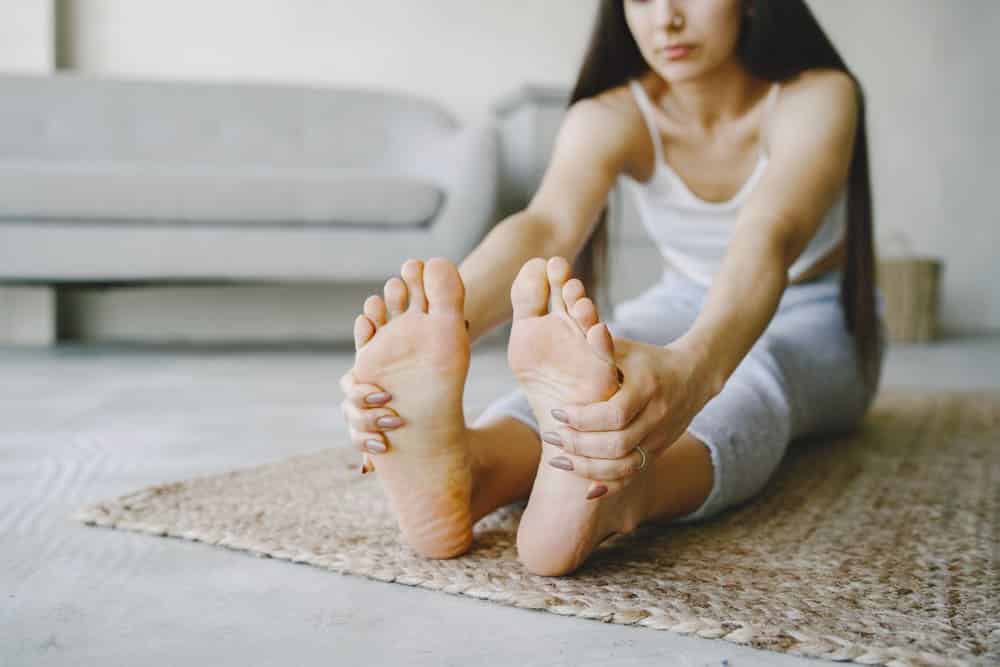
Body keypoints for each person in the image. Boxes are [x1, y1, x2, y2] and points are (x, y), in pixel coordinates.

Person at [338, 0, 888, 576]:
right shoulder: (613, 113)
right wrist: (442, 318)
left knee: (753, 374)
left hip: (812, 314)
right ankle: (474, 468)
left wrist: (696, 369)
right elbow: (547, 225)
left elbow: (768, 234)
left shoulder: (818, 95)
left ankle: (630, 489)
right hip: (678, 299)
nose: (666, 18)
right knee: (604, 366)